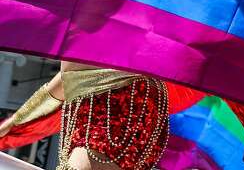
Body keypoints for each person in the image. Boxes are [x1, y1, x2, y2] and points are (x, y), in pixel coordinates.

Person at [0, 61, 168, 170]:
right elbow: (60, 86)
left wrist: (15, 122)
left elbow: (60, 85)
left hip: (120, 114)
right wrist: (15, 121)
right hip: (143, 108)